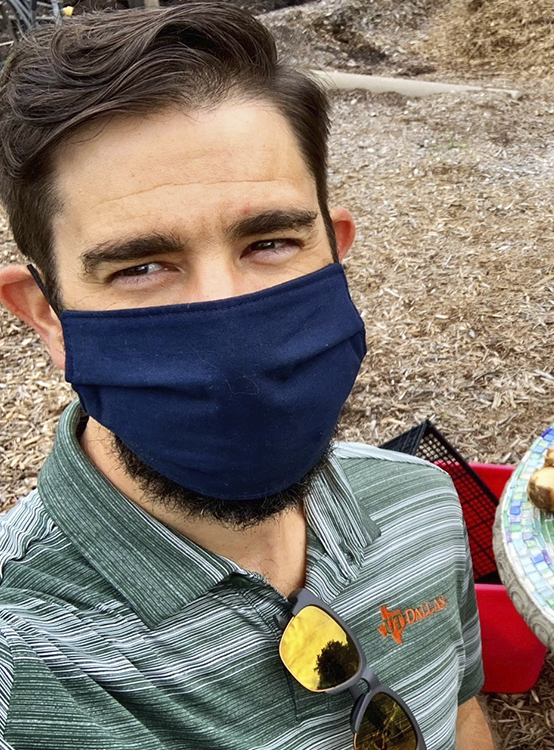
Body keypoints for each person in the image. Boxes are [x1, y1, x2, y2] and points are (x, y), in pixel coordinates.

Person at [0, 4, 493, 748]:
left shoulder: (421, 505)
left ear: (334, 249)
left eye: (269, 242)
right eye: (141, 267)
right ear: (47, 317)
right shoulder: (25, 665)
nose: (229, 328)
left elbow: (460, 718)